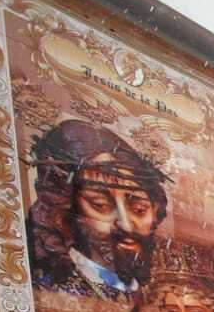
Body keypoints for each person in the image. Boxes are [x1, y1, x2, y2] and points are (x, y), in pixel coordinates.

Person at [26, 119, 168, 298]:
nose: (126, 225)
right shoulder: (49, 290)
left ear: (155, 210)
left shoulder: (156, 294)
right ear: (65, 211)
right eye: (100, 205)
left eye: (139, 209)